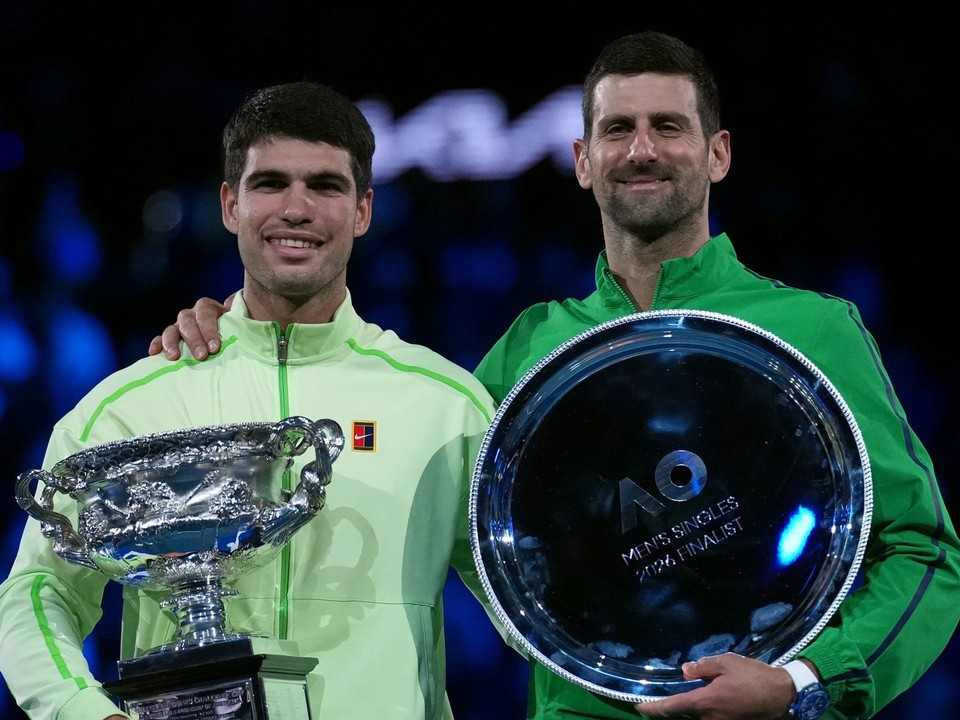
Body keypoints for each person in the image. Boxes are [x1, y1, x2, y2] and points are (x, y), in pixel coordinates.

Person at [148, 32, 960, 720]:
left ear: (717, 154)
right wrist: (246, 335)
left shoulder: (815, 331)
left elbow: (923, 552)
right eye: (618, 129)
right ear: (581, 159)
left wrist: (801, 683)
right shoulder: (526, 354)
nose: (641, 149)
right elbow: (377, 449)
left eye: (668, 127)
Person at [0, 81, 498, 720]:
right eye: (270, 185)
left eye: (325, 186)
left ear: (363, 209)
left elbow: (532, 600)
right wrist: (82, 713)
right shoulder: (127, 406)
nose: (297, 209)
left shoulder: (446, 404)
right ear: (231, 205)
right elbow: (38, 591)